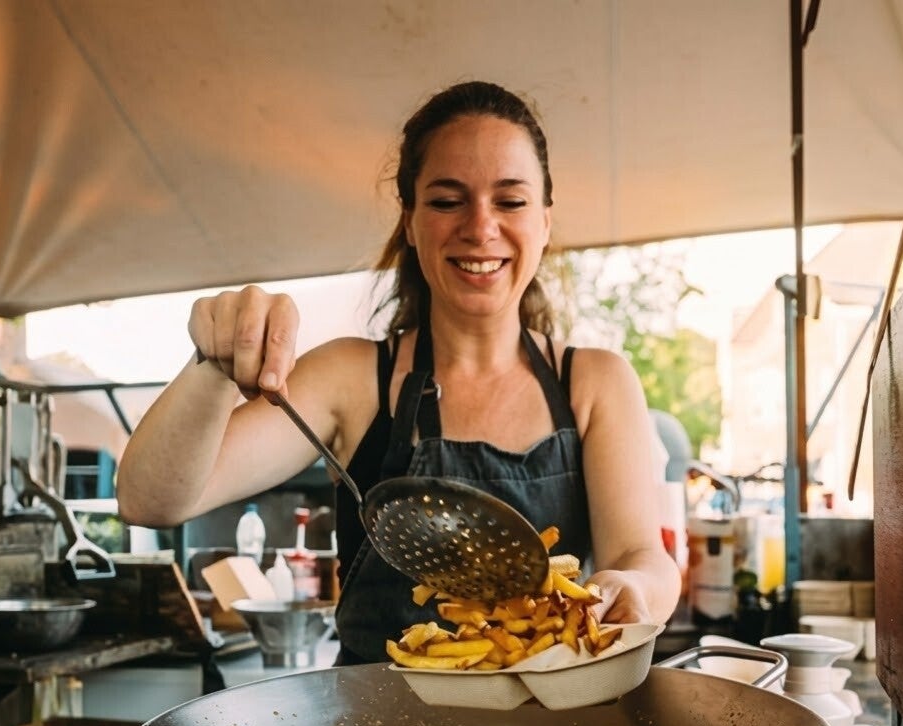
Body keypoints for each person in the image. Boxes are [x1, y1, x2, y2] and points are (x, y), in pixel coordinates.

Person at [117, 80, 681, 664]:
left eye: (509, 201)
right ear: (410, 222)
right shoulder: (350, 377)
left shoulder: (594, 382)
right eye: (446, 200)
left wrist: (635, 589)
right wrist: (212, 364)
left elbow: (642, 555)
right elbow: (149, 501)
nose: (480, 227)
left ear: (544, 222)